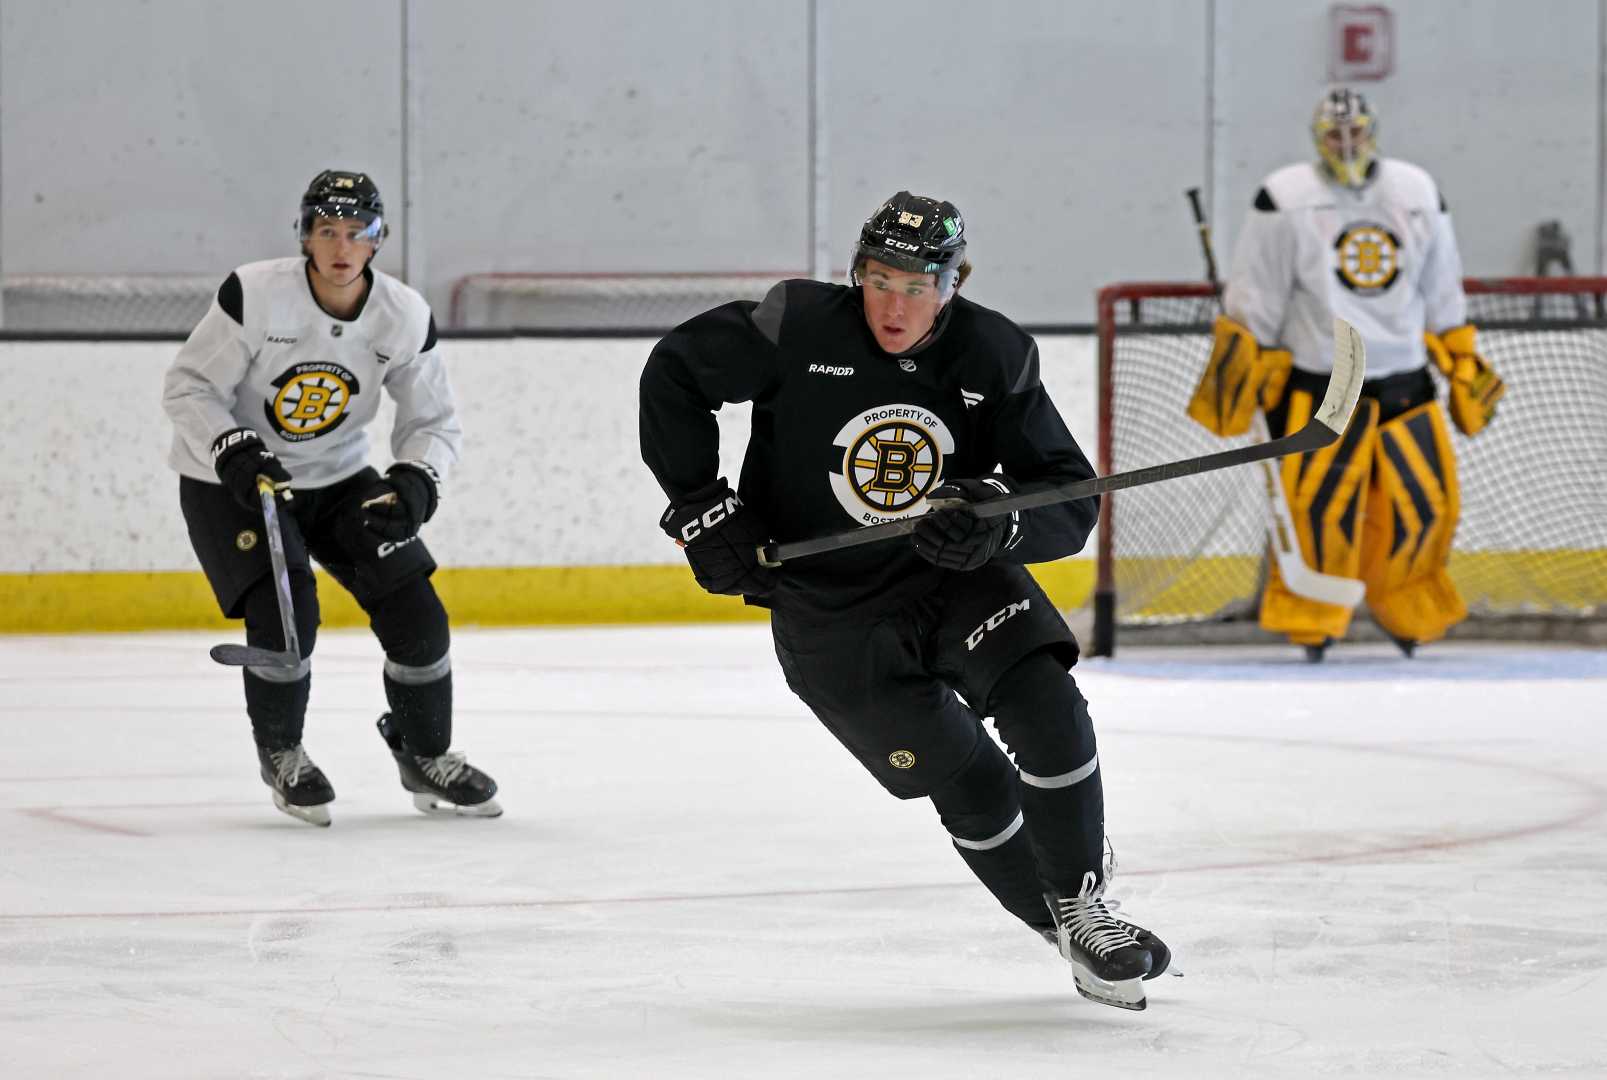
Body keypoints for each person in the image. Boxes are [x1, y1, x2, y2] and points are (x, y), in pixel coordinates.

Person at [639, 192, 1169, 1010]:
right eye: (880, 281)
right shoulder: (795, 325)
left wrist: (999, 525)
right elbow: (675, 372)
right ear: (857, 272)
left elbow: (1067, 496)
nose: (894, 306)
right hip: (828, 612)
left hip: (952, 577)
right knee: (971, 785)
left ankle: (1083, 906)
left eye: (918, 286)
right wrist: (702, 503)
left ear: (953, 283)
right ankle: (1059, 930)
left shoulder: (992, 353)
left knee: (1046, 704)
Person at [162, 169, 500, 826]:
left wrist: (416, 478)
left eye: (356, 232)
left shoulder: (402, 314)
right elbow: (189, 388)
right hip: (230, 481)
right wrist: (233, 447)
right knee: (287, 615)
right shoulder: (256, 294)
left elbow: (433, 420)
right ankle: (282, 753)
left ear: (378, 239)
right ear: (304, 236)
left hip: (339, 476)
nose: (341, 247)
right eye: (326, 231)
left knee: (418, 615)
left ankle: (425, 754)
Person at [1187, 88, 1505, 661]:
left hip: (1406, 380)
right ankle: (1314, 620)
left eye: (1356, 132)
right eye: (1335, 135)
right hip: (1323, 387)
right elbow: (1258, 293)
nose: (1347, 145)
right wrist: (1247, 362)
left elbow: (1442, 285)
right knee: (1317, 510)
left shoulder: (1418, 190)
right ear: (1318, 138)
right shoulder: (1283, 197)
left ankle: (1409, 609)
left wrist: (1458, 354)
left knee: (1428, 506)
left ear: (1373, 131)